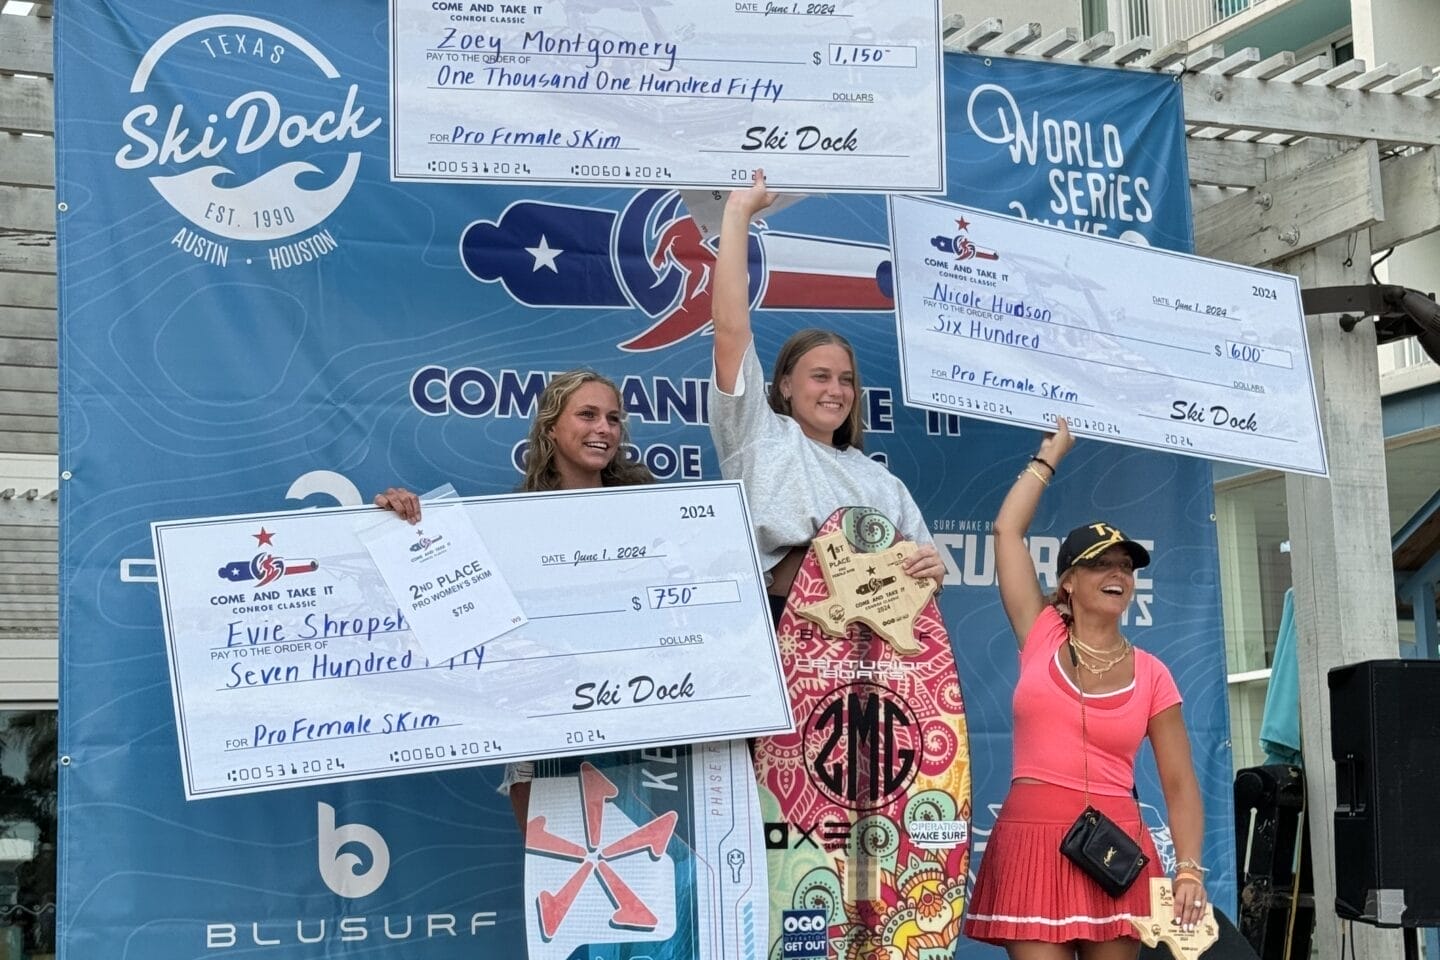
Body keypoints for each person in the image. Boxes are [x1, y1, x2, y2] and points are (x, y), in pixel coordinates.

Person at [963, 417, 1209, 959]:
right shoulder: (1041, 632)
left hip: (1115, 850)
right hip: (1031, 842)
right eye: (1099, 564)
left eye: (1125, 564)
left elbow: (1179, 783)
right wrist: (1050, 456)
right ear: (1068, 581)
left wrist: (1189, 868)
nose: (1116, 572)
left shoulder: (1152, 673)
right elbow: (1007, 531)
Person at [374, 369, 654, 824]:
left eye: (613, 418)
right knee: (560, 872)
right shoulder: (507, 524)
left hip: (642, 716)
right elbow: (447, 600)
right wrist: (398, 525)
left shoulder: (656, 512)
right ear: (550, 427)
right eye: (587, 414)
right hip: (542, 724)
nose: (604, 427)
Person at [710, 169, 943, 614]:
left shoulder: (883, 483)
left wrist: (931, 572)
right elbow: (730, 330)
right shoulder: (758, 435)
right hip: (777, 627)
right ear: (784, 385)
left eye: (847, 379)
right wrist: (738, 212)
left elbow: (922, 588)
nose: (836, 390)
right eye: (820, 376)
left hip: (864, 653)